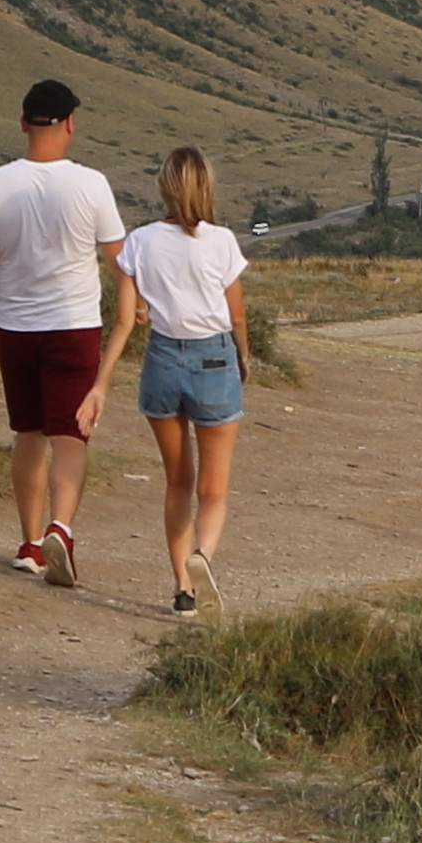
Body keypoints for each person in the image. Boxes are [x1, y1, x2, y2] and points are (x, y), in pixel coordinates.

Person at [0, 77, 131, 585]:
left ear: (23, 123)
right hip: (74, 324)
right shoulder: (91, 184)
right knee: (71, 435)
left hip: (14, 327)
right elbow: (120, 260)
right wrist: (141, 304)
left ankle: (30, 543)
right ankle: (61, 526)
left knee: (28, 433)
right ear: (69, 124)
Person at [119, 146, 263, 613]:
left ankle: (182, 587)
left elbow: (131, 311)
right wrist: (243, 355)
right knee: (214, 490)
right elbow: (236, 314)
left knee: (178, 482)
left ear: (164, 186)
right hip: (214, 359)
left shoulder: (139, 241)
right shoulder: (221, 241)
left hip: (162, 358)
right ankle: (203, 555)